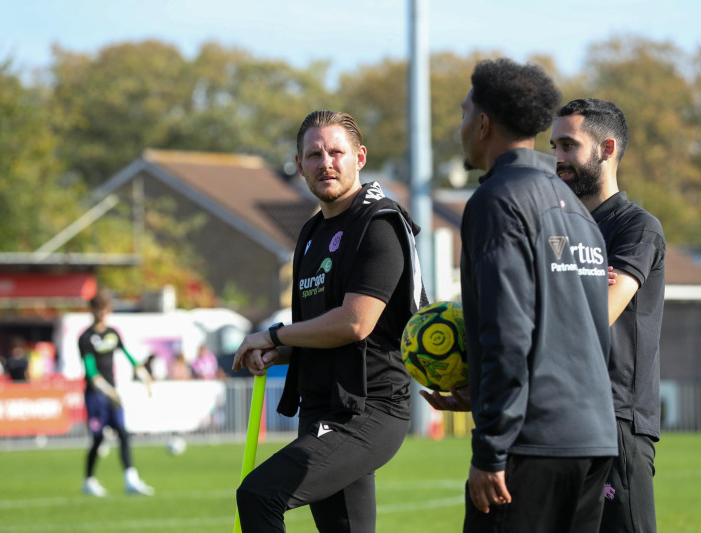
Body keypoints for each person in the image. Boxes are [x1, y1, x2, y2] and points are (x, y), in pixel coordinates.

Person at [425, 58, 618, 532]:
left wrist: (492, 447)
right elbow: (581, 336)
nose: (461, 126)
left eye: (465, 112)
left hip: (531, 445)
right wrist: (483, 395)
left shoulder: (497, 201)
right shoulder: (575, 208)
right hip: (593, 440)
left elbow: (508, 330)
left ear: (483, 124)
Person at [232, 110, 427, 532]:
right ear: (299, 165)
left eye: (336, 152)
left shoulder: (379, 224)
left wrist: (272, 335)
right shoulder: (311, 233)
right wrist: (280, 351)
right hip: (320, 406)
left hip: (368, 410)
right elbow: (323, 332)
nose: (326, 163)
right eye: (314, 155)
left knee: (259, 494)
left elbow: (355, 324)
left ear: (360, 157)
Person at [551, 98, 666, 533]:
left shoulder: (637, 227)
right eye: (554, 146)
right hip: (554, 418)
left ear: (607, 148)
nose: (558, 157)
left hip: (614, 418)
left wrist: (556, 288)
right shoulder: (555, 230)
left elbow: (598, 316)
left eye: (568, 145)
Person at [78, 290, 155, 497]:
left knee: (123, 433)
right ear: (92, 311)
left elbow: (129, 356)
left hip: (113, 394)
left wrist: (144, 375)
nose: (102, 314)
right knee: (98, 439)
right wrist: (107, 391)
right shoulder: (86, 338)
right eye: (99, 309)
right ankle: (88, 481)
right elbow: (91, 371)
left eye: (105, 309)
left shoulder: (113, 333)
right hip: (95, 395)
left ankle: (131, 479)